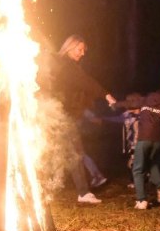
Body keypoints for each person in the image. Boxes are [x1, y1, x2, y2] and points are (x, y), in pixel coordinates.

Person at [44, 34, 117, 204]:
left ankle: (55, 189)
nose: (82, 53)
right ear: (70, 47)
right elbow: (86, 82)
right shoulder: (66, 66)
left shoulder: (65, 65)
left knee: (65, 152)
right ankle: (82, 192)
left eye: (84, 50)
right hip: (61, 115)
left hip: (59, 114)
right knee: (74, 153)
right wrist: (105, 94)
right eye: (80, 49)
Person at [122, 91, 160, 209]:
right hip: (158, 139)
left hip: (144, 139)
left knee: (138, 169)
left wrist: (115, 104)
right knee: (151, 163)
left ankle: (141, 200)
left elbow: (130, 105)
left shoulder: (144, 105)